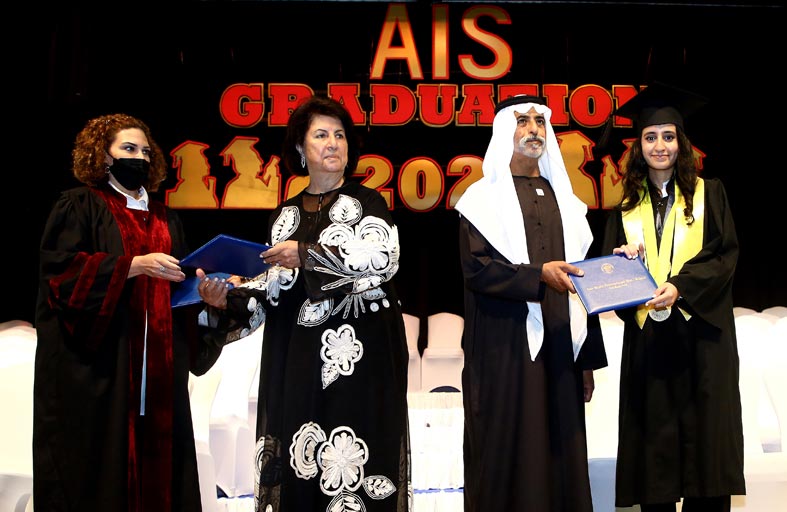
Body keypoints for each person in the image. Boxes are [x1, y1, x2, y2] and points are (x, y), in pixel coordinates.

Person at [197, 95, 411, 512]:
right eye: (321, 135)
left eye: (339, 135)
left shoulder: (369, 202)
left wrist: (306, 254)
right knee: (303, 462)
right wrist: (225, 299)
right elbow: (274, 289)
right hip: (299, 360)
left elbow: (382, 259)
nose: (333, 143)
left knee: (359, 458)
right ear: (300, 147)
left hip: (362, 359)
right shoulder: (285, 215)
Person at [34, 113, 221, 511]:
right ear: (103, 156)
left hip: (160, 370)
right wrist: (132, 266)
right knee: (102, 467)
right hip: (105, 368)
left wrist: (205, 295)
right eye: (128, 149)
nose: (139, 158)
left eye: (146, 152)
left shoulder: (166, 217)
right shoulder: (81, 205)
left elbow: (179, 290)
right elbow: (60, 276)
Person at [454, 95, 607, 511]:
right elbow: (477, 270)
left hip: (560, 345)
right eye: (522, 121)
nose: (533, 129)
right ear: (506, 130)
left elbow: (582, 278)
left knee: (562, 448)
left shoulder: (566, 202)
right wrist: (537, 275)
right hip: (503, 348)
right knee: (507, 447)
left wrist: (586, 359)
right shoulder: (481, 200)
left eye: (540, 122)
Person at [601, 82, 744, 511]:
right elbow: (610, 283)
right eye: (650, 137)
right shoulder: (624, 210)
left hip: (702, 339)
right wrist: (624, 267)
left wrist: (681, 287)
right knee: (655, 456)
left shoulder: (710, 193)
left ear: (681, 143)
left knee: (705, 452)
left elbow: (724, 257)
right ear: (638, 146)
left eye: (668, 136)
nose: (659, 146)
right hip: (651, 343)